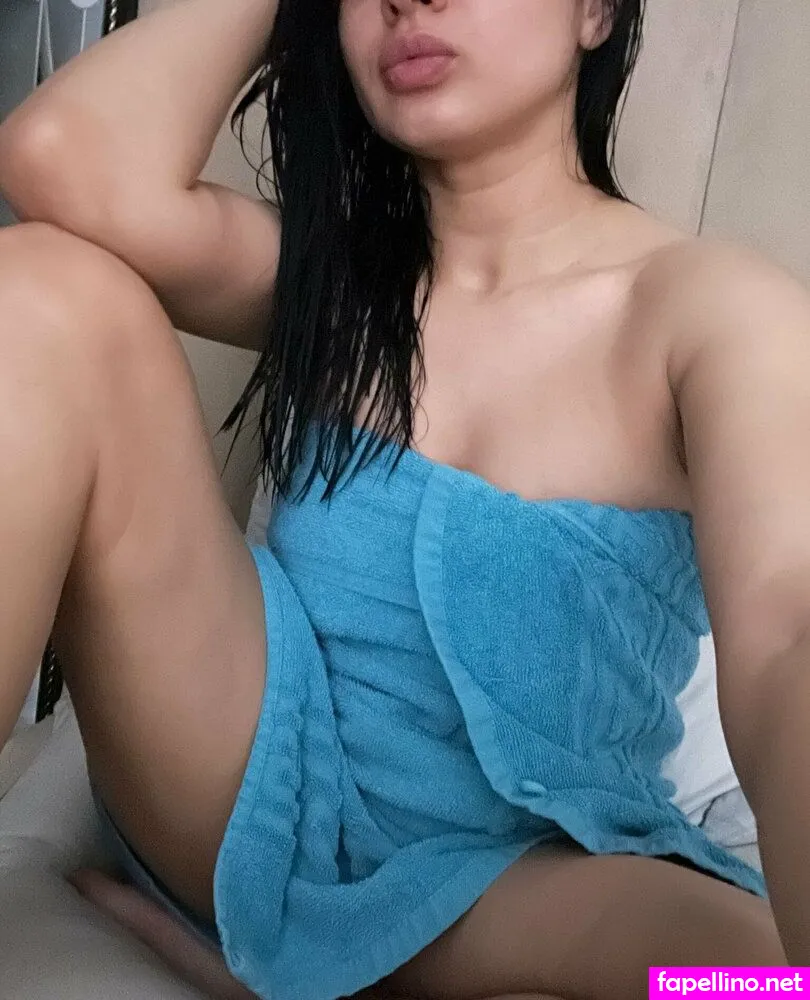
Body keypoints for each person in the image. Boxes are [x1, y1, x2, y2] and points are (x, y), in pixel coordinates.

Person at [0, 0, 809, 997]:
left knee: (759, 980)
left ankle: (322, 977)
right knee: (46, 290)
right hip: (254, 787)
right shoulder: (339, 285)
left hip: (523, 884)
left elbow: (788, 631)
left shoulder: (712, 311)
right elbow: (61, 158)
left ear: (596, 10)